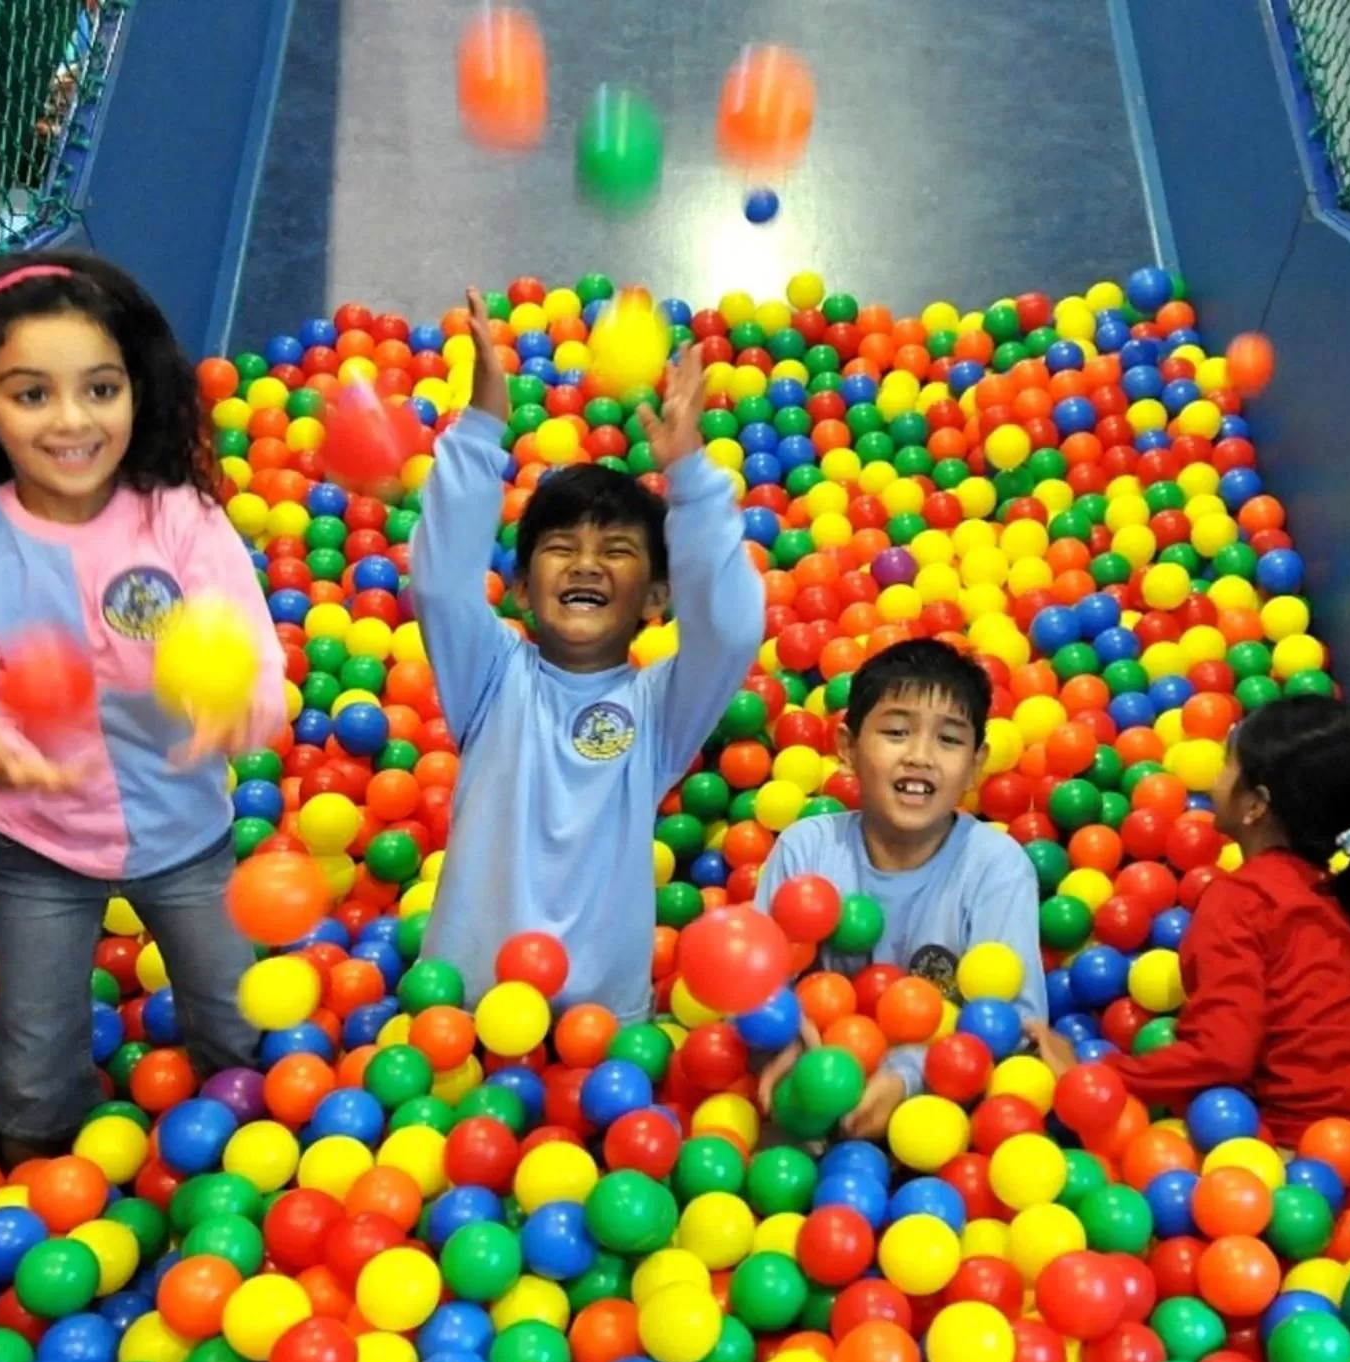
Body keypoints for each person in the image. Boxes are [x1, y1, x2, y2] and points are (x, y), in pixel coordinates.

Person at [0, 249, 286, 1161]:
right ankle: (33, 1161)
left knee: (243, 1024)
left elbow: (251, 651)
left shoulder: (179, 518)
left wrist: (245, 712)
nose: (72, 421)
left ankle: (260, 1156)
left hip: (185, 824)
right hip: (39, 844)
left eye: (101, 389)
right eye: (32, 395)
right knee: (32, 1065)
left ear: (137, 394)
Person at [414, 287, 764, 1020]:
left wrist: (693, 476)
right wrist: (481, 426)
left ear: (656, 597)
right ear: (518, 589)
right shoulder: (490, 678)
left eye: (616, 550)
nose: (586, 564)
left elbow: (729, 629)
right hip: (462, 1010)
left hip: (600, 1032)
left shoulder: (660, 712)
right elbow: (442, 583)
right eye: (561, 547)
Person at [1028, 694, 1350, 1145]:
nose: (1213, 777)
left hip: (1290, 1151)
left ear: (1255, 805)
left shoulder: (1240, 900)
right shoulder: (1342, 888)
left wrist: (1094, 1073)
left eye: (1227, 765)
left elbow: (1223, 1053)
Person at [752, 637, 1046, 1140]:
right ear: (847, 748)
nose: (920, 757)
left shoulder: (996, 867)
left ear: (976, 764)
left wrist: (908, 1077)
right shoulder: (808, 849)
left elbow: (1012, 1025)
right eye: (895, 732)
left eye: (949, 740)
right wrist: (784, 1045)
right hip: (812, 1090)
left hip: (944, 1119)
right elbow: (757, 982)